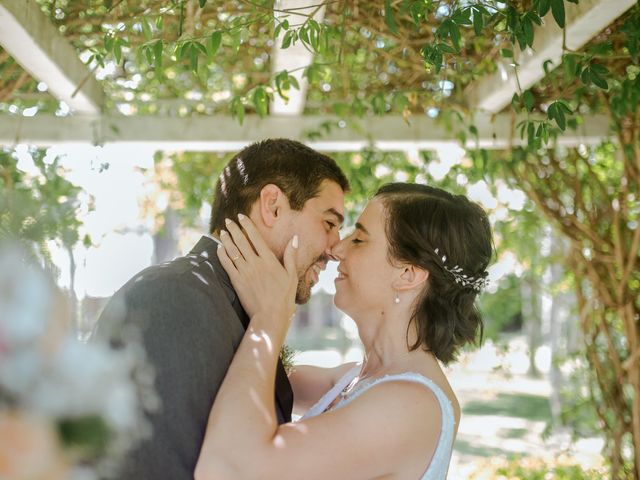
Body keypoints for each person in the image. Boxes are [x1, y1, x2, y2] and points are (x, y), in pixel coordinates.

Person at [196, 183, 493, 480]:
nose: (337, 249)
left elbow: (228, 469)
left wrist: (269, 318)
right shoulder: (354, 379)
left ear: (407, 275)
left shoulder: (409, 407)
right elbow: (253, 381)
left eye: (359, 239)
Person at [95, 139, 349, 479]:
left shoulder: (238, 302)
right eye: (329, 223)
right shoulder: (176, 297)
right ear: (273, 206)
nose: (335, 248)